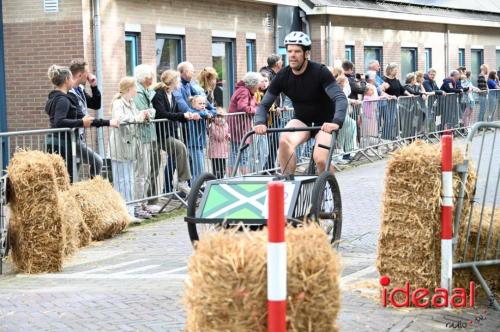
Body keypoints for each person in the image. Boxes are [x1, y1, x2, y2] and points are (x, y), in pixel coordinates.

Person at [254, 31, 347, 175]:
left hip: (325, 123)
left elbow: (340, 98)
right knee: (284, 140)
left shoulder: (320, 72)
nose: (292, 55)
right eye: (289, 51)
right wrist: (259, 122)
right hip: (302, 120)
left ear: (306, 53)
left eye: (297, 51)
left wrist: (337, 121)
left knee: (320, 159)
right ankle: (289, 181)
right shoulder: (283, 75)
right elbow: (264, 104)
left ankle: (328, 189)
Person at [44, 65, 118, 182]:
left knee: (65, 178)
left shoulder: (58, 98)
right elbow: (59, 122)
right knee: (65, 179)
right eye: (71, 79)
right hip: (62, 143)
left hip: (60, 141)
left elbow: (86, 114)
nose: (73, 81)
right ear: (67, 80)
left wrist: (105, 122)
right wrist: (81, 122)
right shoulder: (62, 99)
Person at [108, 77, 150, 223]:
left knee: (130, 180)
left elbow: (135, 117)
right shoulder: (118, 103)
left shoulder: (132, 103)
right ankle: (123, 214)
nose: (137, 90)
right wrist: (138, 117)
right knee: (122, 181)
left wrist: (144, 116)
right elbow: (120, 119)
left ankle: (130, 212)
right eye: (134, 88)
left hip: (130, 146)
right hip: (120, 146)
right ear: (128, 89)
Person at [152, 69, 194, 195]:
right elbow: (163, 113)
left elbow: (175, 113)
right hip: (160, 134)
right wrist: (183, 115)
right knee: (180, 148)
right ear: (172, 81)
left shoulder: (172, 95)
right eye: (177, 80)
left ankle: (181, 182)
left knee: (181, 151)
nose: (179, 83)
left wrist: (186, 117)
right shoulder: (159, 94)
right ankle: (181, 182)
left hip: (170, 132)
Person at [67, 59, 105, 178]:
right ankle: (95, 189)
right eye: (87, 72)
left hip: (80, 136)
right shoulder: (69, 92)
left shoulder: (80, 90)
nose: (89, 75)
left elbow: (95, 104)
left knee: (73, 172)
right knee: (97, 161)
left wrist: (94, 86)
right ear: (80, 74)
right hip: (72, 137)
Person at [132, 64, 159, 216]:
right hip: (142, 136)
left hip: (148, 135)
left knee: (146, 171)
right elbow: (145, 113)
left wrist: (151, 113)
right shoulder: (139, 92)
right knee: (141, 172)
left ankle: (142, 203)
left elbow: (151, 112)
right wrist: (150, 113)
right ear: (144, 78)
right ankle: (137, 205)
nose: (152, 79)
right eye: (150, 76)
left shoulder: (147, 91)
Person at [227, 72, 262, 175]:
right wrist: (255, 110)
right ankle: (239, 177)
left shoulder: (246, 92)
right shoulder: (244, 91)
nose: (258, 88)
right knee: (239, 152)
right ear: (253, 84)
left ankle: (234, 176)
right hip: (239, 126)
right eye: (257, 86)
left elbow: (254, 105)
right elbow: (242, 107)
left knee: (238, 152)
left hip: (241, 126)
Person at [208, 109, 230, 179]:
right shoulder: (212, 125)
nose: (220, 119)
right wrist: (222, 127)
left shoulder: (226, 124)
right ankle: (215, 182)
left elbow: (226, 134)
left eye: (221, 116)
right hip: (215, 153)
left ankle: (221, 182)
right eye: (218, 116)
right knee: (216, 171)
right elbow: (219, 137)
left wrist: (229, 135)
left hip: (223, 152)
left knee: (223, 170)